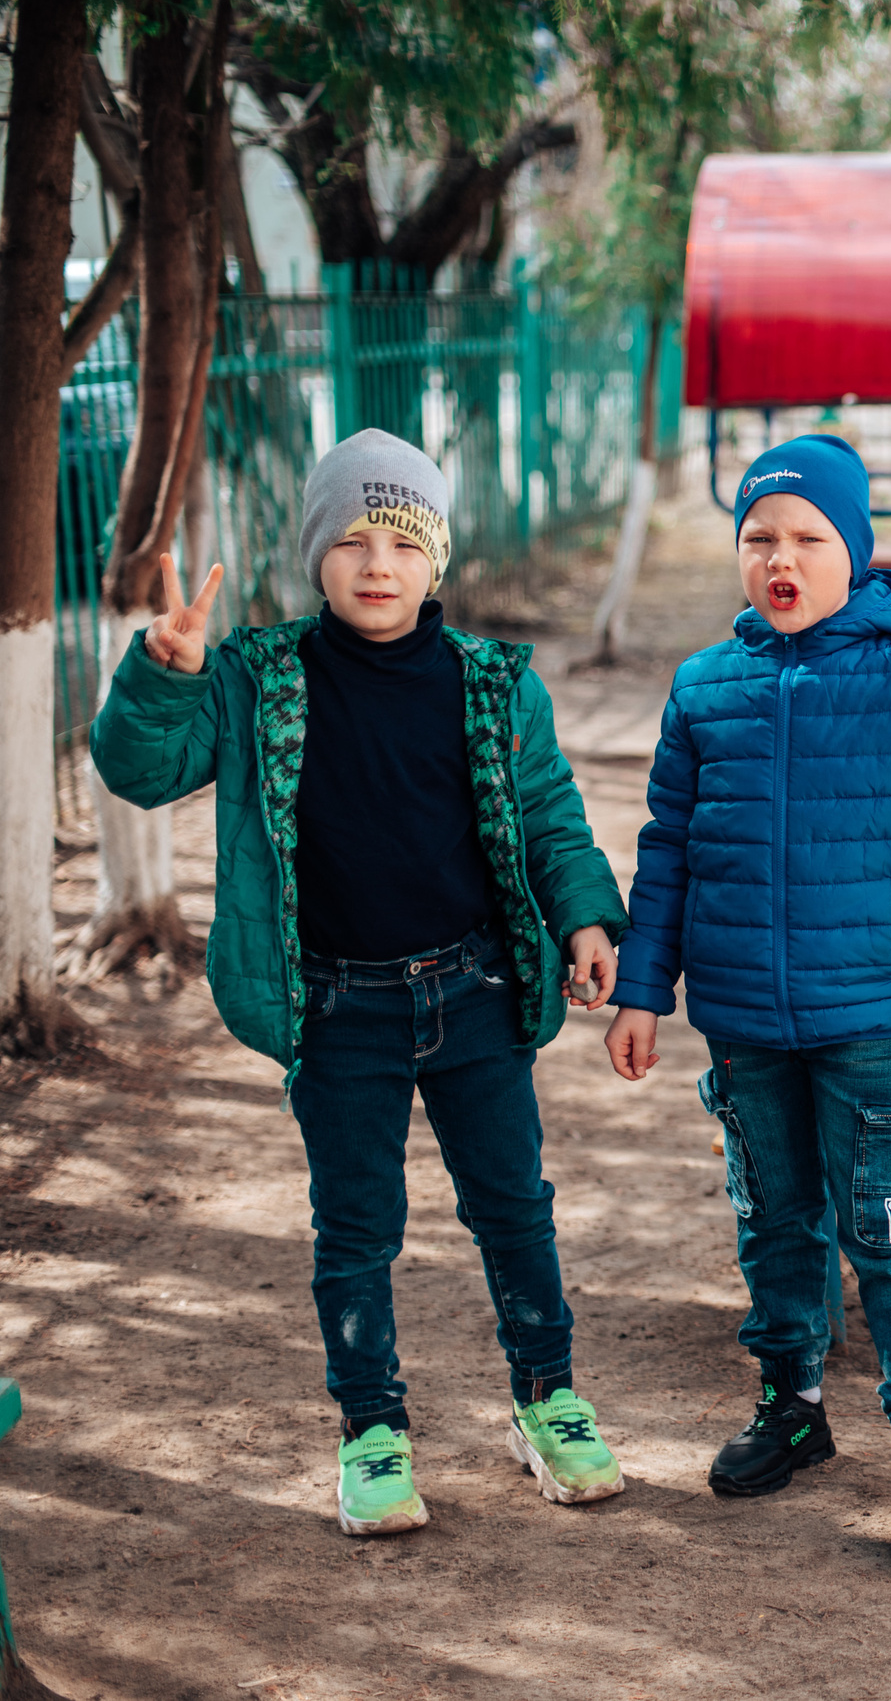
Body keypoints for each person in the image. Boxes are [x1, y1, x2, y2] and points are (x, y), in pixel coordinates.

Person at [91, 430, 631, 1537]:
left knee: (513, 1208)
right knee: (355, 1228)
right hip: (338, 1006)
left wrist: (583, 913)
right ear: (314, 557)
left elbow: (548, 813)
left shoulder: (492, 683)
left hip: (475, 992)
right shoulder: (256, 678)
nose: (377, 564)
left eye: (403, 541)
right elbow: (138, 770)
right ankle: (372, 1430)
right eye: (351, 541)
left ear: (438, 559)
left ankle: (548, 1397)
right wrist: (163, 675)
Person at [602, 434, 891, 1572]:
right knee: (773, 1221)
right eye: (759, 538)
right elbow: (668, 848)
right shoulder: (705, 685)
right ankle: (792, 1402)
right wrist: (643, 991)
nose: (782, 559)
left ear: (854, 552)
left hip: (865, 1018)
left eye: (809, 538)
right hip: (741, 1018)